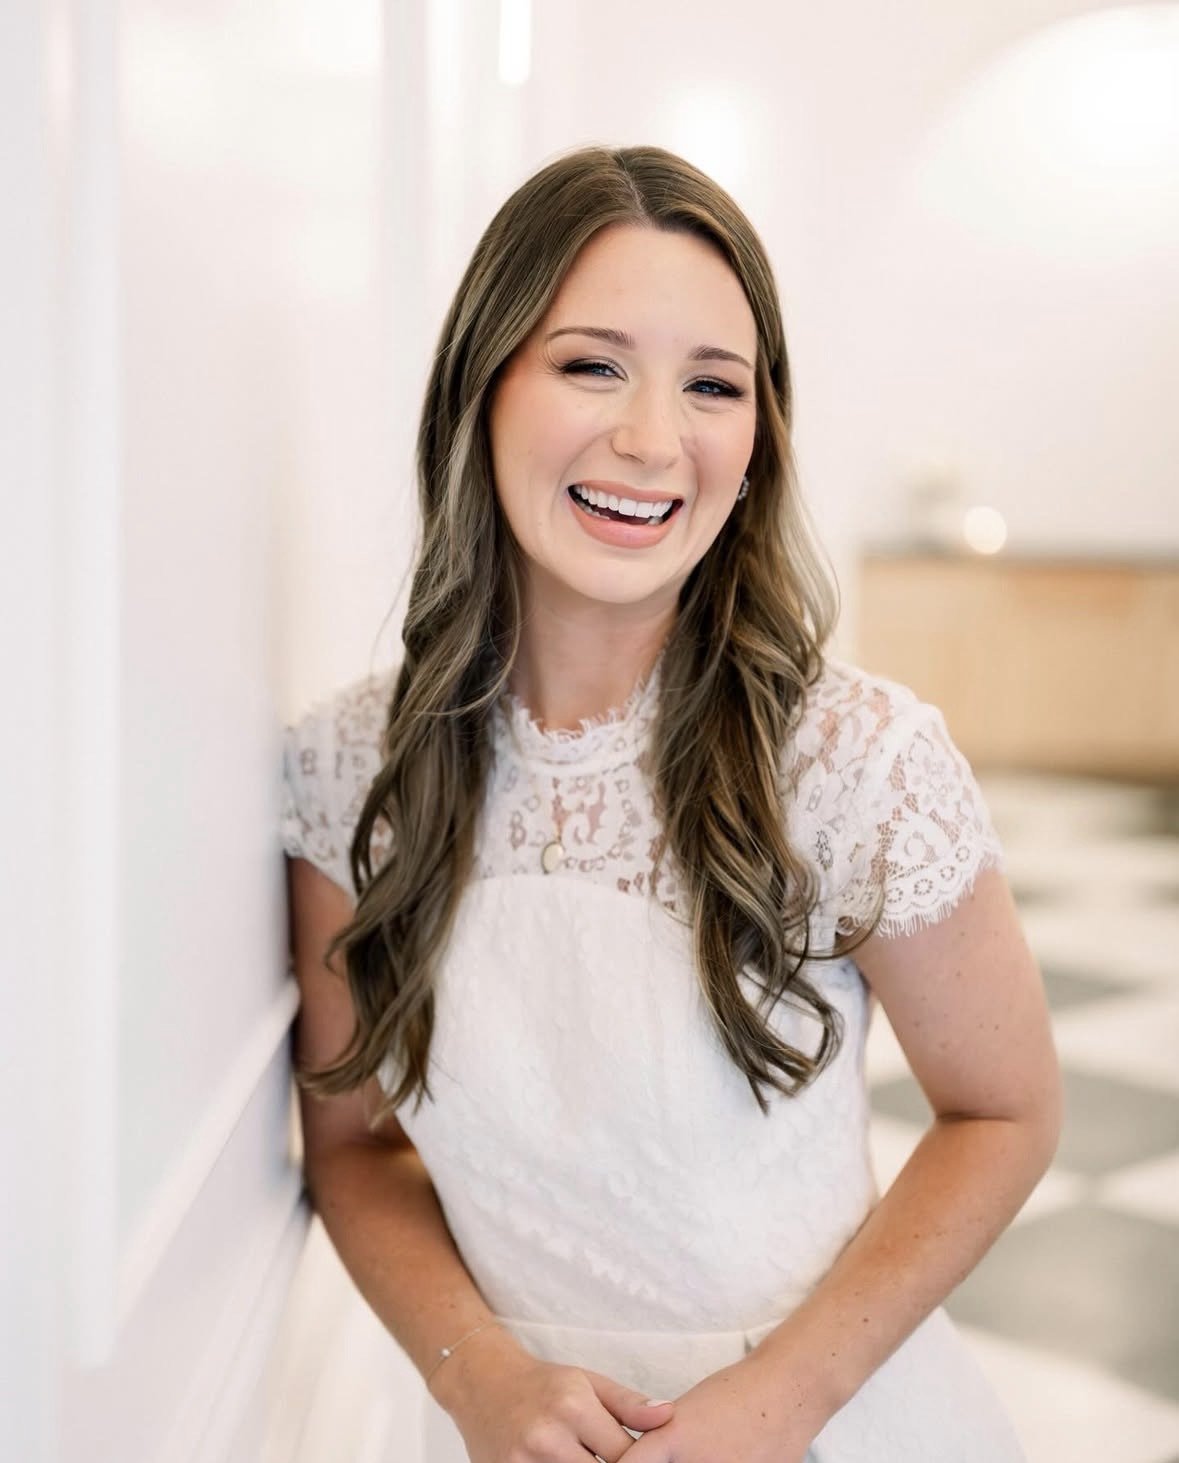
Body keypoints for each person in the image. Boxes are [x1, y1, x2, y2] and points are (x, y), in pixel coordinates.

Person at [280, 143, 1061, 1463]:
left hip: (824, 1424)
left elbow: (1007, 1112)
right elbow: (353, 1151)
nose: (653, 439)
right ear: (482, 391)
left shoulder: (854, 759)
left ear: (757, 441)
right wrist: (481, 1379)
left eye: (714, 385)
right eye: (590, 364)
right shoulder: (348, 773)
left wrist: (781, 1403)